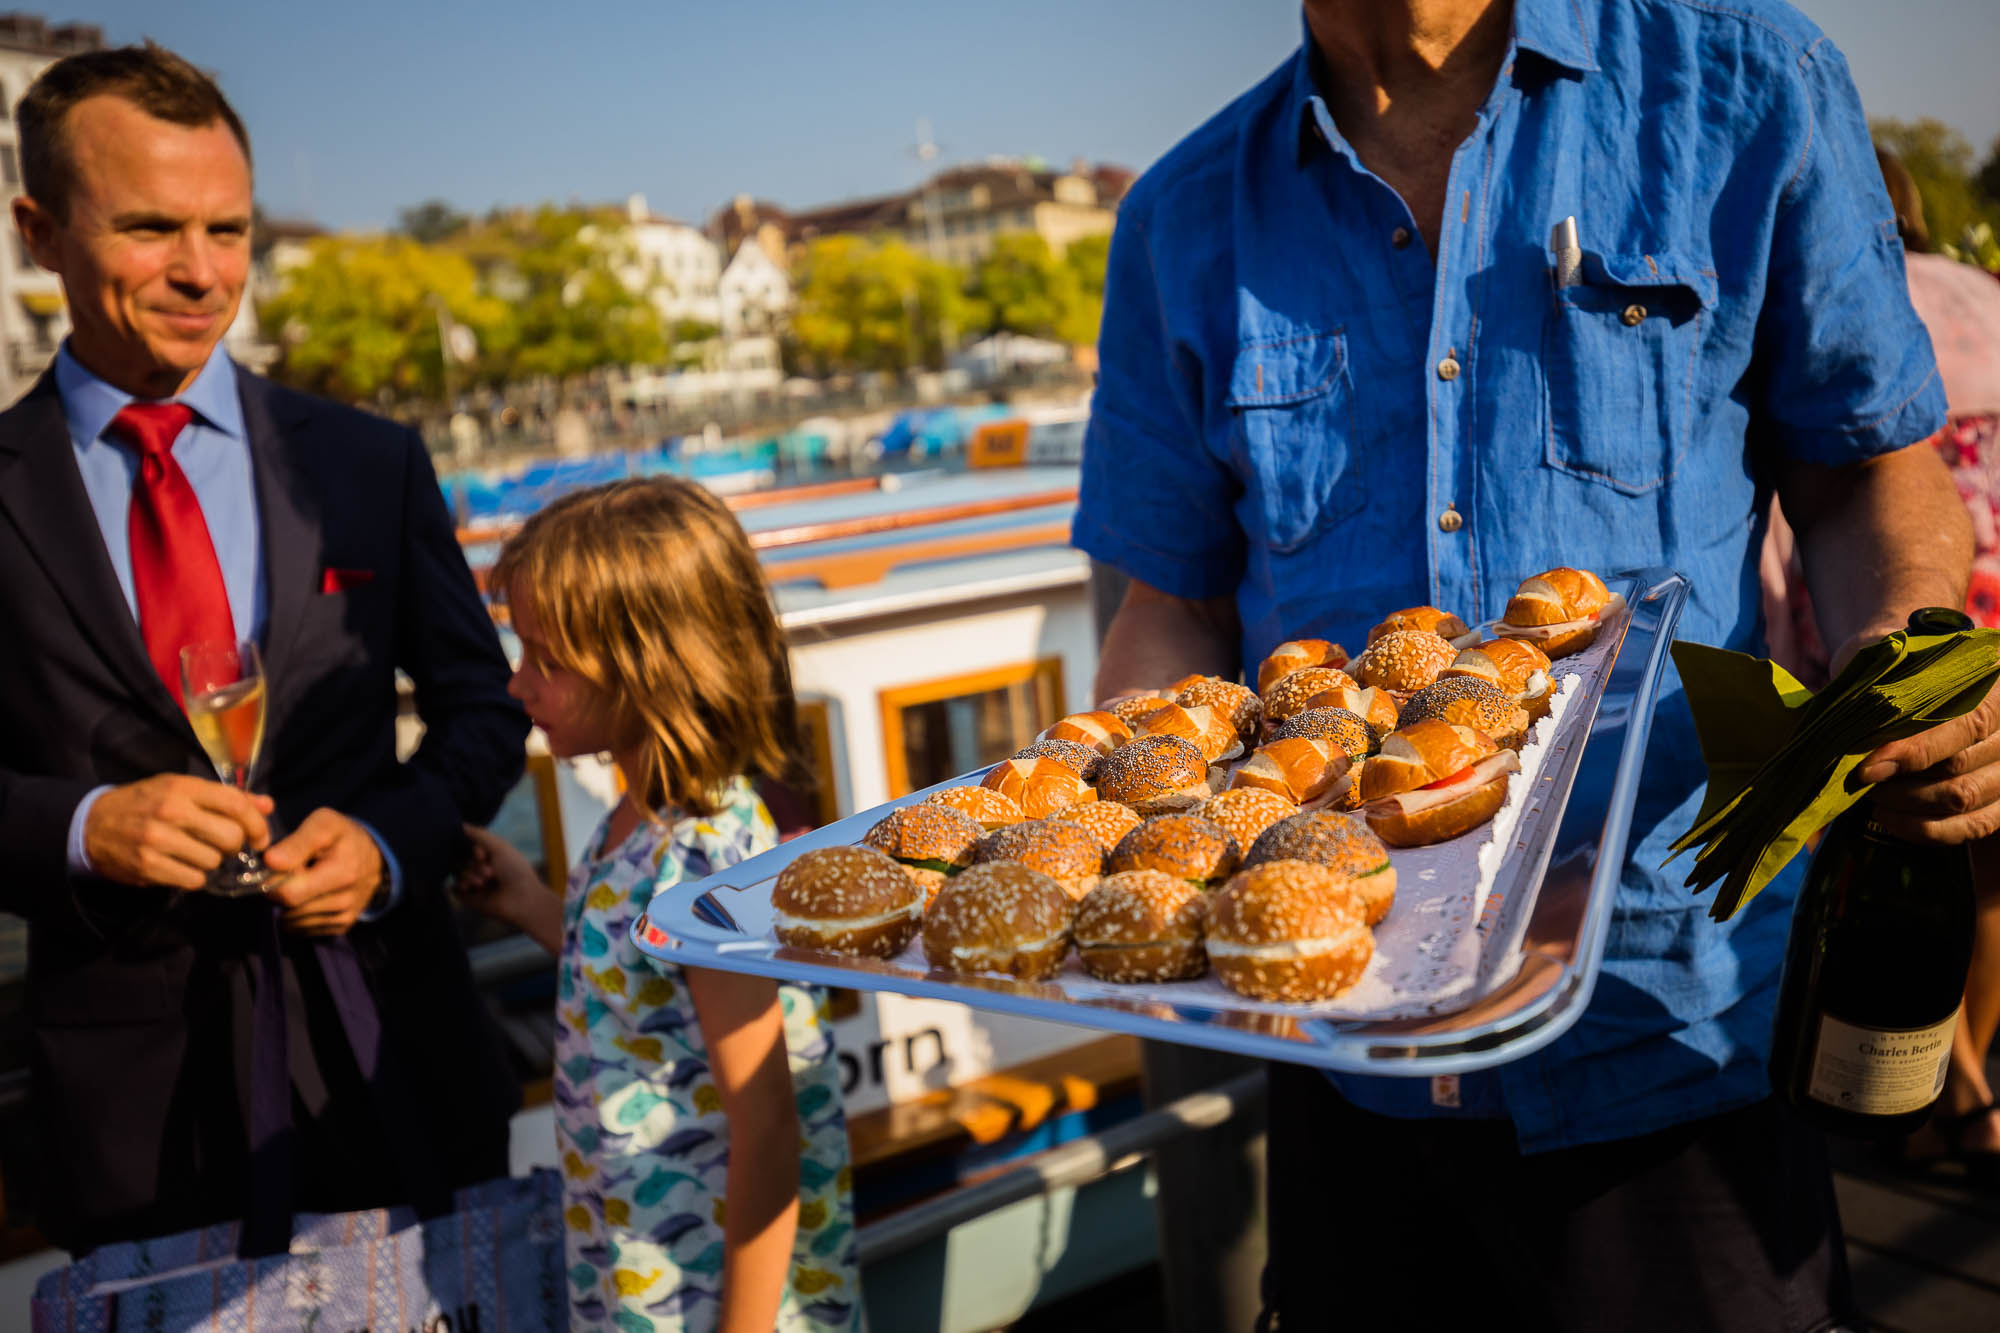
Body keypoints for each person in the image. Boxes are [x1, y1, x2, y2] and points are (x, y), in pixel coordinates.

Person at [1074, 1, 1995, 1328]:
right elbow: (1174, 610)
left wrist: (1913, 657)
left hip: (1672, 1042)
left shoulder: (1744, 88)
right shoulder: (1180, 217)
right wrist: (1133, 817)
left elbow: (1863, 480)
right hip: (1344, 1066)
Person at [0, 44, 527, 1251]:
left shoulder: (367, 460)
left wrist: (392, 843)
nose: (200, 273)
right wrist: (87, 830)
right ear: (39, 231)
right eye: (149, 228)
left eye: (228, 230)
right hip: (137, 1123)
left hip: (398, 1058)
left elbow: (482, 713)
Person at [459, 478, 858, 1333]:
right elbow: (641, 995)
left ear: (647, 667)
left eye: (543, 658)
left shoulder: (704, 857)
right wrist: (534, 904)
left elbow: (768, 1123)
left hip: (713, 1297)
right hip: (641, 1276)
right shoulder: (633, 822)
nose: (517, 684)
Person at [1763, 148, 2000, 1185]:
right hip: (1981, 623)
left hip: (1878, 617)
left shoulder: (1841, 307)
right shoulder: (1983, 295)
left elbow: (1806, 507)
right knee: (1979, 866)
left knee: (1871, 869)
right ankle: (1965, 1078)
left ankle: (1901, 1082)